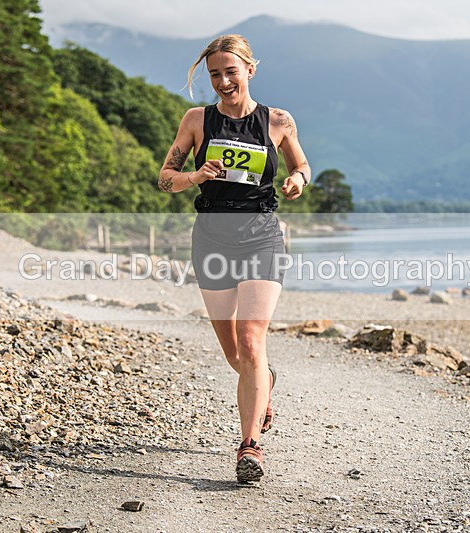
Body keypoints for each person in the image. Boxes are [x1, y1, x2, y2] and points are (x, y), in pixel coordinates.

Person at [158, 34, 310, 483]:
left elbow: (302, 165)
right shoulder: (196, 120)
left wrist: (297, 181)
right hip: (211, 239)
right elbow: (165, 178)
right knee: (235, 355)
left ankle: (250, 448)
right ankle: (263, 384)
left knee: (250, 340)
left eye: (230, 71)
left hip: (262, 236)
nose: (223, 81)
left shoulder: (278, 121)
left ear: (250, 70)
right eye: (214, 75)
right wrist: (196, 175)